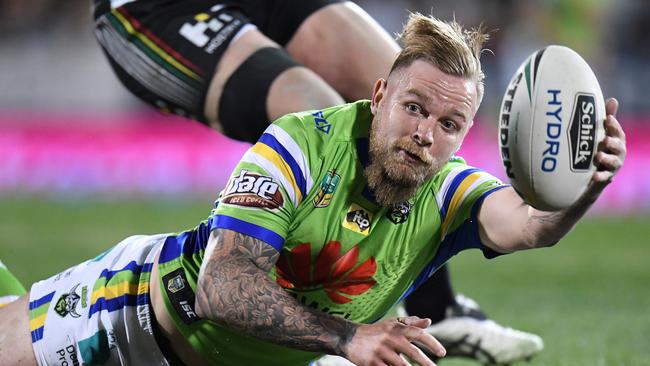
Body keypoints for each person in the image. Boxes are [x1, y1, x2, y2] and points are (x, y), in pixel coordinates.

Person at [0, 13, 626, 366]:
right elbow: (219, 288)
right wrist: (350, 339)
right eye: (413, 108)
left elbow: (531, 226)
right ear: (378, 96)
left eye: (449, 125)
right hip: (128, 324)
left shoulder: (449, 192)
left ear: (465, 136)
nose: (424, 135)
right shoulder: (301, 144)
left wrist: (587, 183)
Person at [89, 0, 542, 363]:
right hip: (163, 8)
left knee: (408, 87)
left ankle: (434, 310)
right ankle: (339, 332)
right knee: (318, 110)